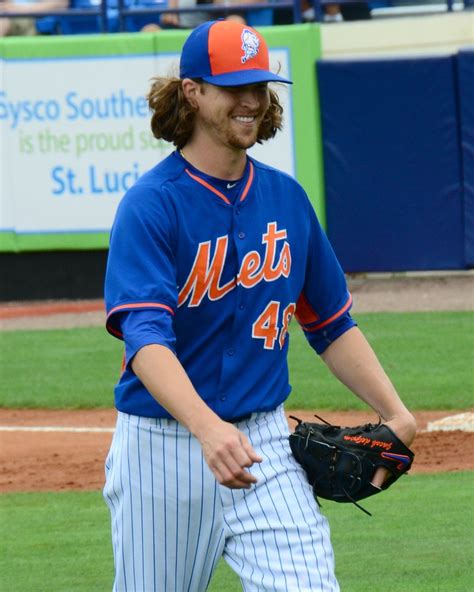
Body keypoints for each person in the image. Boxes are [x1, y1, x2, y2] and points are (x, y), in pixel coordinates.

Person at [103, 19, 416, 591]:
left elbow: (329, 322)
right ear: (193, 92)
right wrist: (205, 428)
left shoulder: (286, 199)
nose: (251, 100)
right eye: (234, 87)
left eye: (259, 86)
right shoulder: (151, 206)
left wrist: (397, 412)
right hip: (165, 450)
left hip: (266, 444)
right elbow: (144, 338)